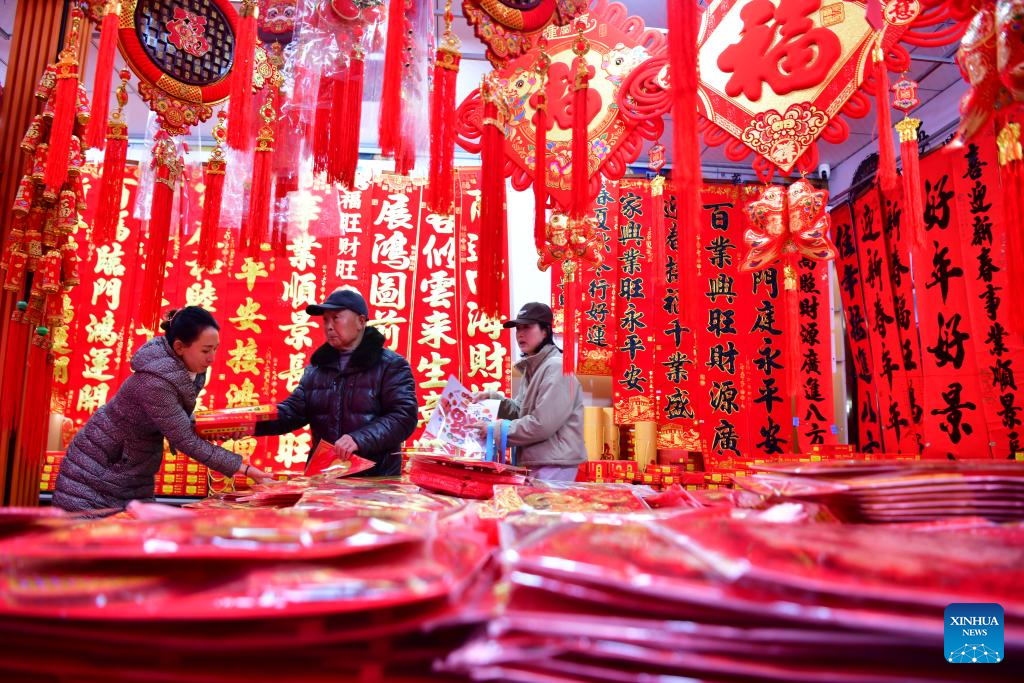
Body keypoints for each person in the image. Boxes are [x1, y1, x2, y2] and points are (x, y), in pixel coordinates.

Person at [53, 307, 273, 512]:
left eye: (215, 349)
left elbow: (176, 421)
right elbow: (184, 438)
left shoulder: (189, 369)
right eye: (206, 350)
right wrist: (247, 470)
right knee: (95, 541)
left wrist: (217, 428)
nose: (212, 358)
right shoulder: (155, 382)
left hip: (131, 469)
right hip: (97, 472)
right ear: (179, 347)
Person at [254, 288, 418, 476]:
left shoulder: (391, 365)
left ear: (361, 321)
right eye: (325, 320)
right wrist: (247, 424)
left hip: (375, 482)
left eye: (336, 317)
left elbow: (403, 416)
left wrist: (359, 439)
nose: (329, 326)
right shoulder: (317, 369)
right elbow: (291, 412)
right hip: (325, 479)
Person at [473, 302, 585, 481]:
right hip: (542, 460)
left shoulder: (556, 367)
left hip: (554, 463)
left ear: (545, 331)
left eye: (527, 327)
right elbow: (520, 411)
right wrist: (495, 401)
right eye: (518, 329)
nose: (520, 334)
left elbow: (541, 424)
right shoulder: (535, 367)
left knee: (542, 508)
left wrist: (495, 429)